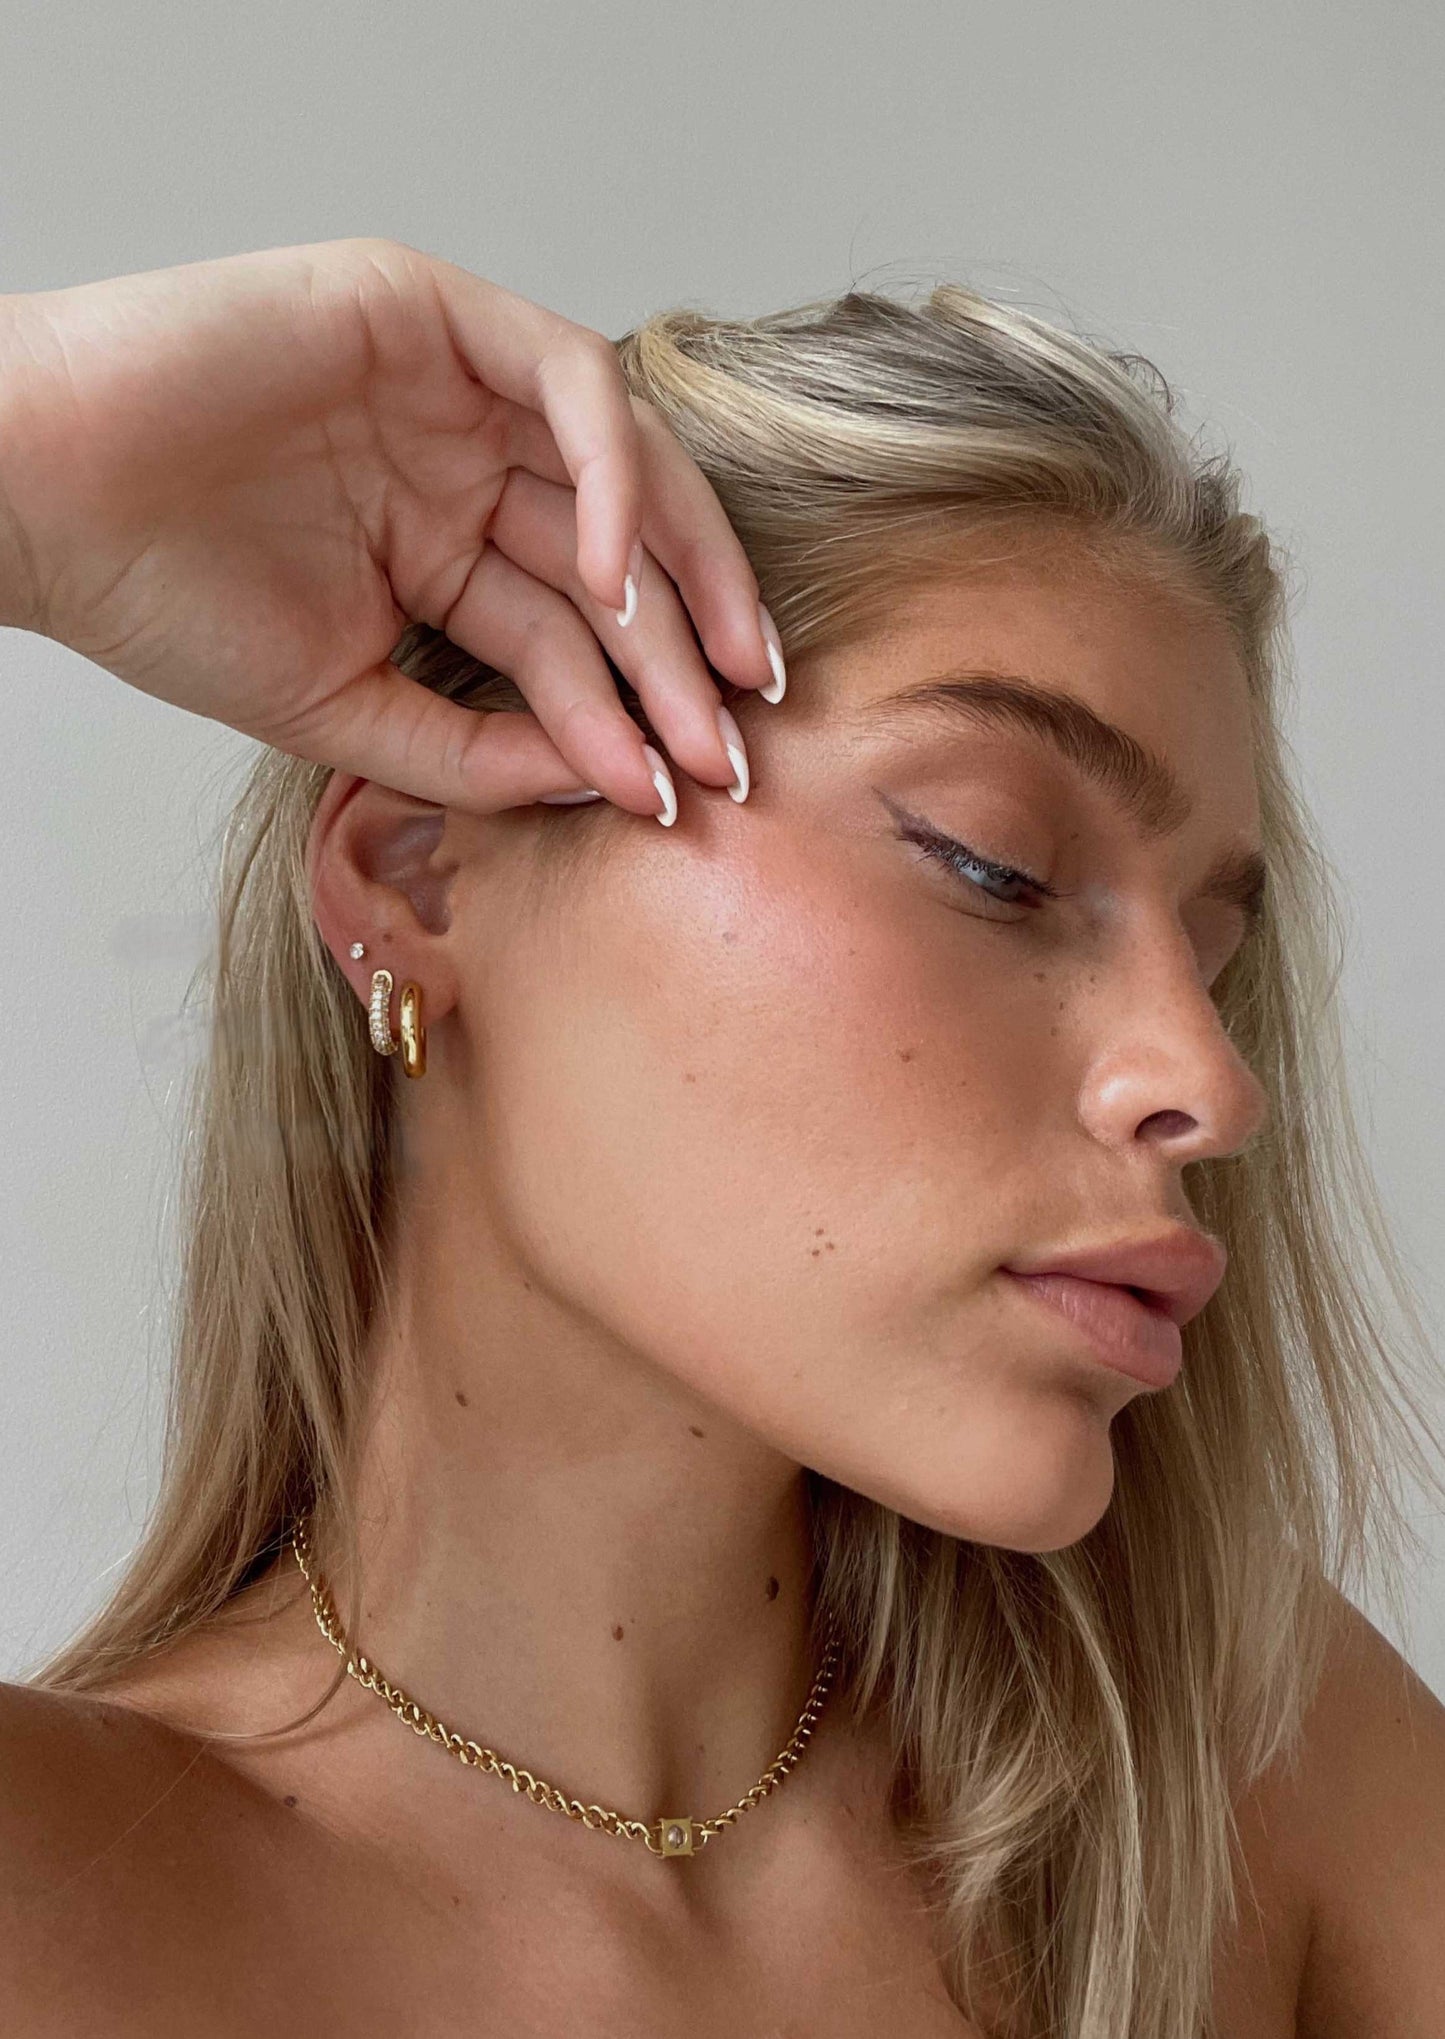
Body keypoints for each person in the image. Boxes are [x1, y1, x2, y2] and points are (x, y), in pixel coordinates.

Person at [0, 236, 1441, 2039]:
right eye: (995, 864)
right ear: (421, 875)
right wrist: (36, 436)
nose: (1208, 1084)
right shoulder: (57, 1896)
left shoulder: (1242, 1788)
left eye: (1213, 962)